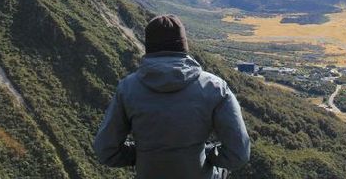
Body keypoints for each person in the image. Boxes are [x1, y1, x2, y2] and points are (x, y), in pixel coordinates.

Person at [94, 14, 250, 179]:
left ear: (149, 47)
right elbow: (238, 154)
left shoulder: (127, 89)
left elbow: (106, 150)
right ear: (183, 46)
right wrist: (206, 154)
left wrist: (143, 154)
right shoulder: (216, 88)